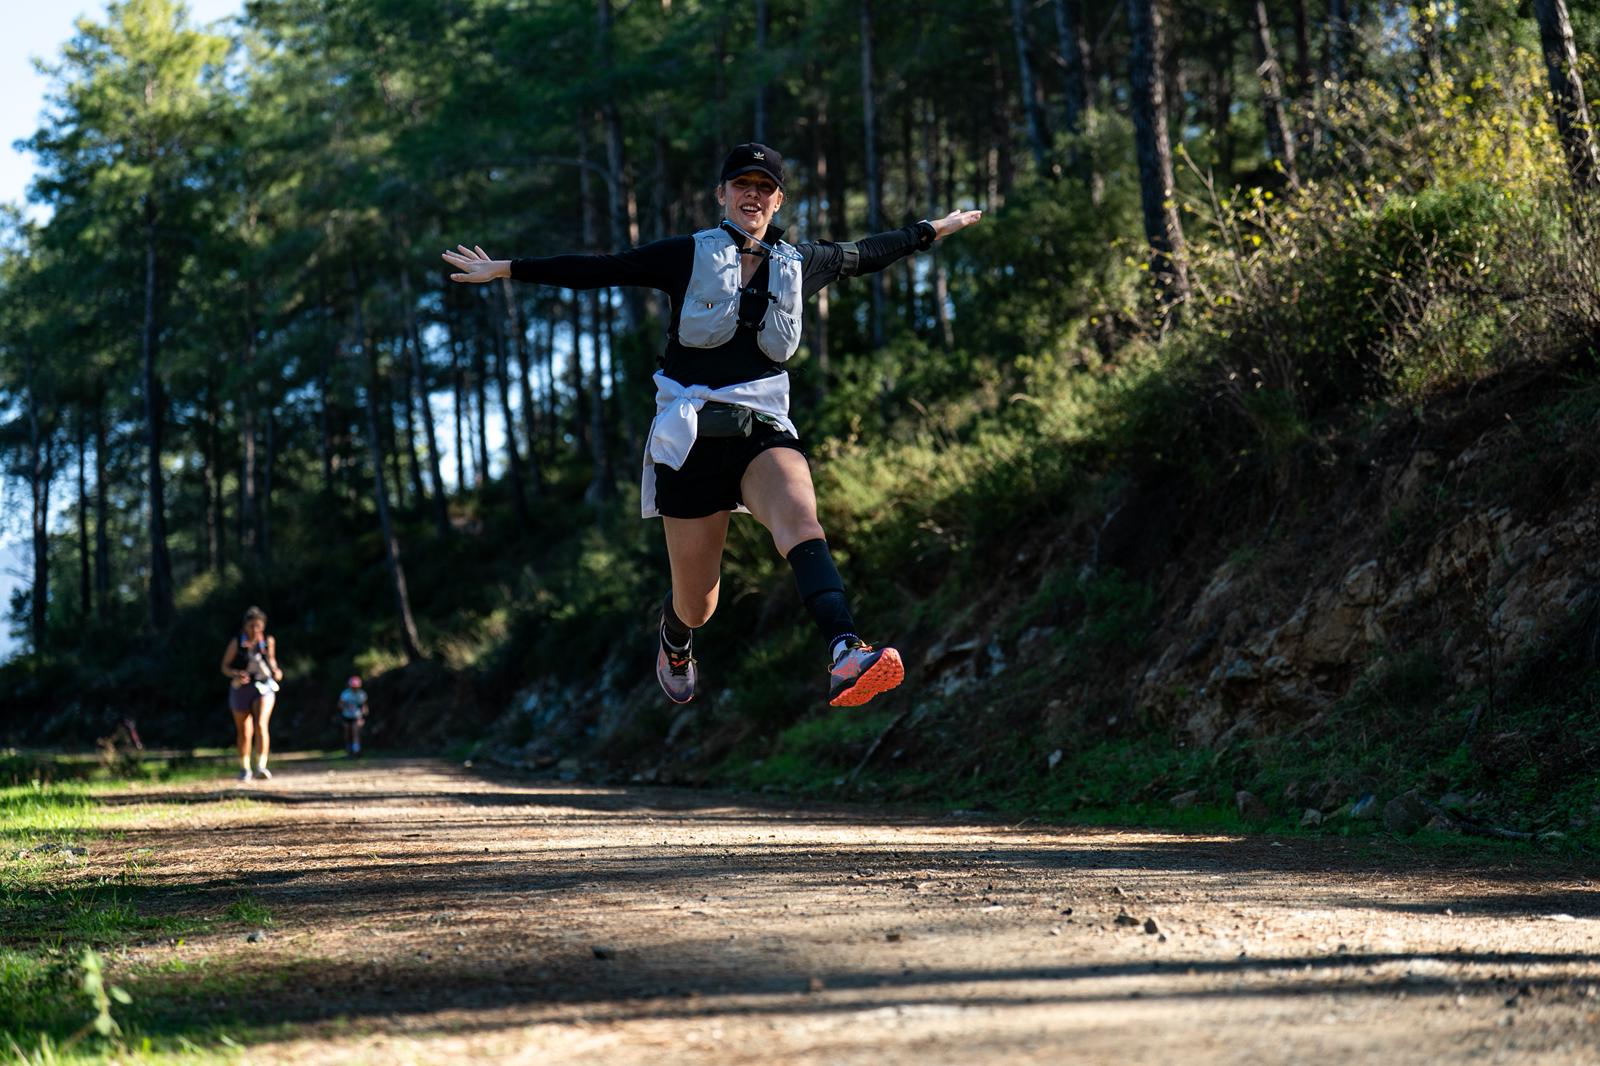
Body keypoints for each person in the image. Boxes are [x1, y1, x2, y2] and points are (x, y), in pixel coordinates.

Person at [443, 142, 981, 708]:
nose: (754, 193)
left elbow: (872, 251)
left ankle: (846, 650)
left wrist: (933, 229)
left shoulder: (801, 264)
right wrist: (505, 268)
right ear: (720, 194)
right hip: (690, 436)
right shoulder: (686, 254)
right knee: (698, 604)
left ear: (778, 200)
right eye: (742, 184)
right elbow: (604, 268)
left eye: (765, 186)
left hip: (761, 430)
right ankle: (676, 638)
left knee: (801, 522)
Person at [220, 606, 282, 781]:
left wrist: (277, 672)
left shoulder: (267, 641)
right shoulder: (237, 642)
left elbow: (272, 662)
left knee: (261, 724)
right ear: (245, 626)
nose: (255, 630)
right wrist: (236, 674)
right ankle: (244, 767)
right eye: (251, 626)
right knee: (244, 731)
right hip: (241, 688)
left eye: (258, 626)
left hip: (264, 686)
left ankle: (261, 765)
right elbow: (224, 666)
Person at [339, 675, 368, 757]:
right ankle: (348, 750)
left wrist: (363, 717)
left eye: (356, 687)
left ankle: (356, 750)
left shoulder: (362, 694)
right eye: (353, 687)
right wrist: (346, 707)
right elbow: (340, 705)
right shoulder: (346, 694)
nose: (355, 688)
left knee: (356, 733)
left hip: (357, 717)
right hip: (346, 716)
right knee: (347, 733)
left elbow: (364, 706)